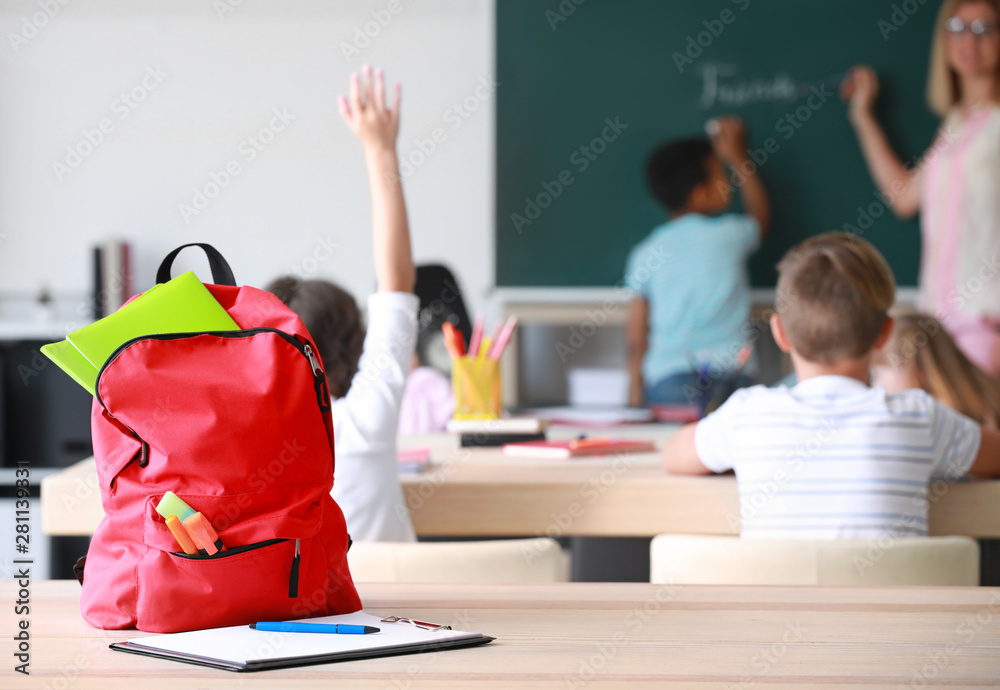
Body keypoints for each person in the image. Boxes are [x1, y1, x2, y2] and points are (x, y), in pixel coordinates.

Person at [663, 232, 1000, 540]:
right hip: (890, 608)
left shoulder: (745, 415)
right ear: (885, 333)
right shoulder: (921, 418)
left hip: (775, 607)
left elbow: (673, 455)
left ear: (780, 332)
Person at [267, 66, 416, 542]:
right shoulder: (365, 419)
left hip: (298, 614)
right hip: (401, 613)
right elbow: (396, 281)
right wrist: (380, 149)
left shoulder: (259, 442)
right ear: (355, 340)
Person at [842, 0, 1000, 374]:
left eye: (985, 29)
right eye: (958, 28)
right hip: (937, 322)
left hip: (987, 319)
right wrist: (863, 117)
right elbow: (904, 197)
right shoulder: (955, 126)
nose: (969, 41)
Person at [625, 117, 770, 409]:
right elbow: (761, 216)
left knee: (679, 451)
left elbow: (636, 337)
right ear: (700, 194)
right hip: (732, 376)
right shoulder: (729, 234)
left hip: (668, 378)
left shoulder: (645, 253)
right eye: (720, 174)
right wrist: (738, 157)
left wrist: (633, 390)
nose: (727, 182)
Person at [873, 312, 1000, 429]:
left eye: (877, 374)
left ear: (917, 374)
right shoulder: (986, 395)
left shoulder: (937, 425)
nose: (874, 385)